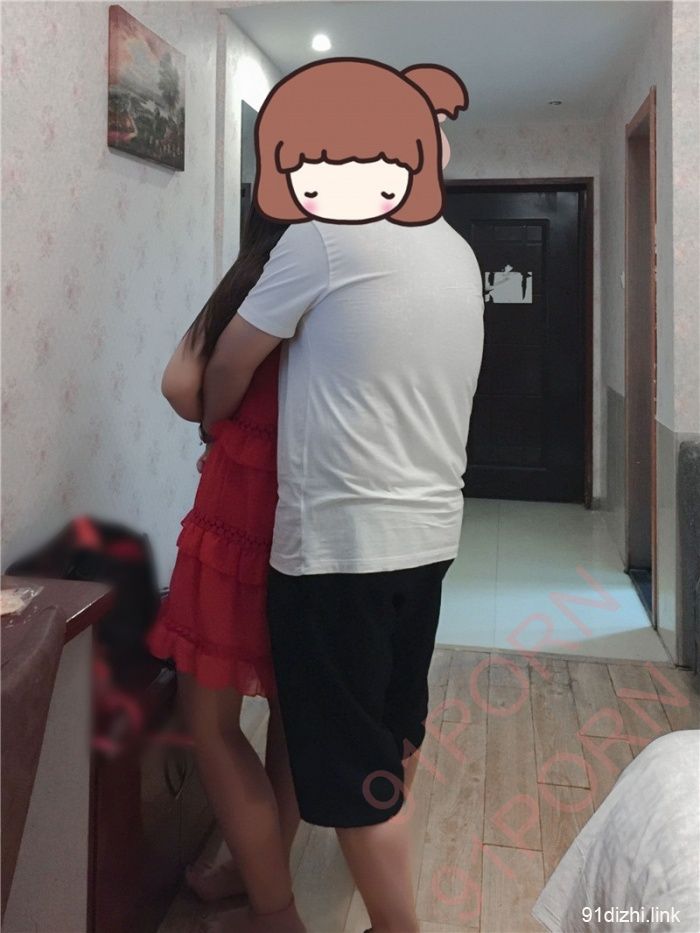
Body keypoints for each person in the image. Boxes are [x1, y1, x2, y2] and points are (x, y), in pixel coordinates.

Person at [199, 59, 485, 933]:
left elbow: (228, 363)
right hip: (432, 531)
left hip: (340, 543)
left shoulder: (324, 239)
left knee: (352, 767)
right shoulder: (456, 249)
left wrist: (212, 421)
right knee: (390, 731)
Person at [147, 206, 307, 933]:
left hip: (238, 509)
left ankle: (274, 910)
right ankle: (257, 868)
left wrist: (220, 421)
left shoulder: (258, 273)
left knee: (210, 723)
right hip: (314, 505)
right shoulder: (349, 272)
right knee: (292, 703)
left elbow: (179, 386)